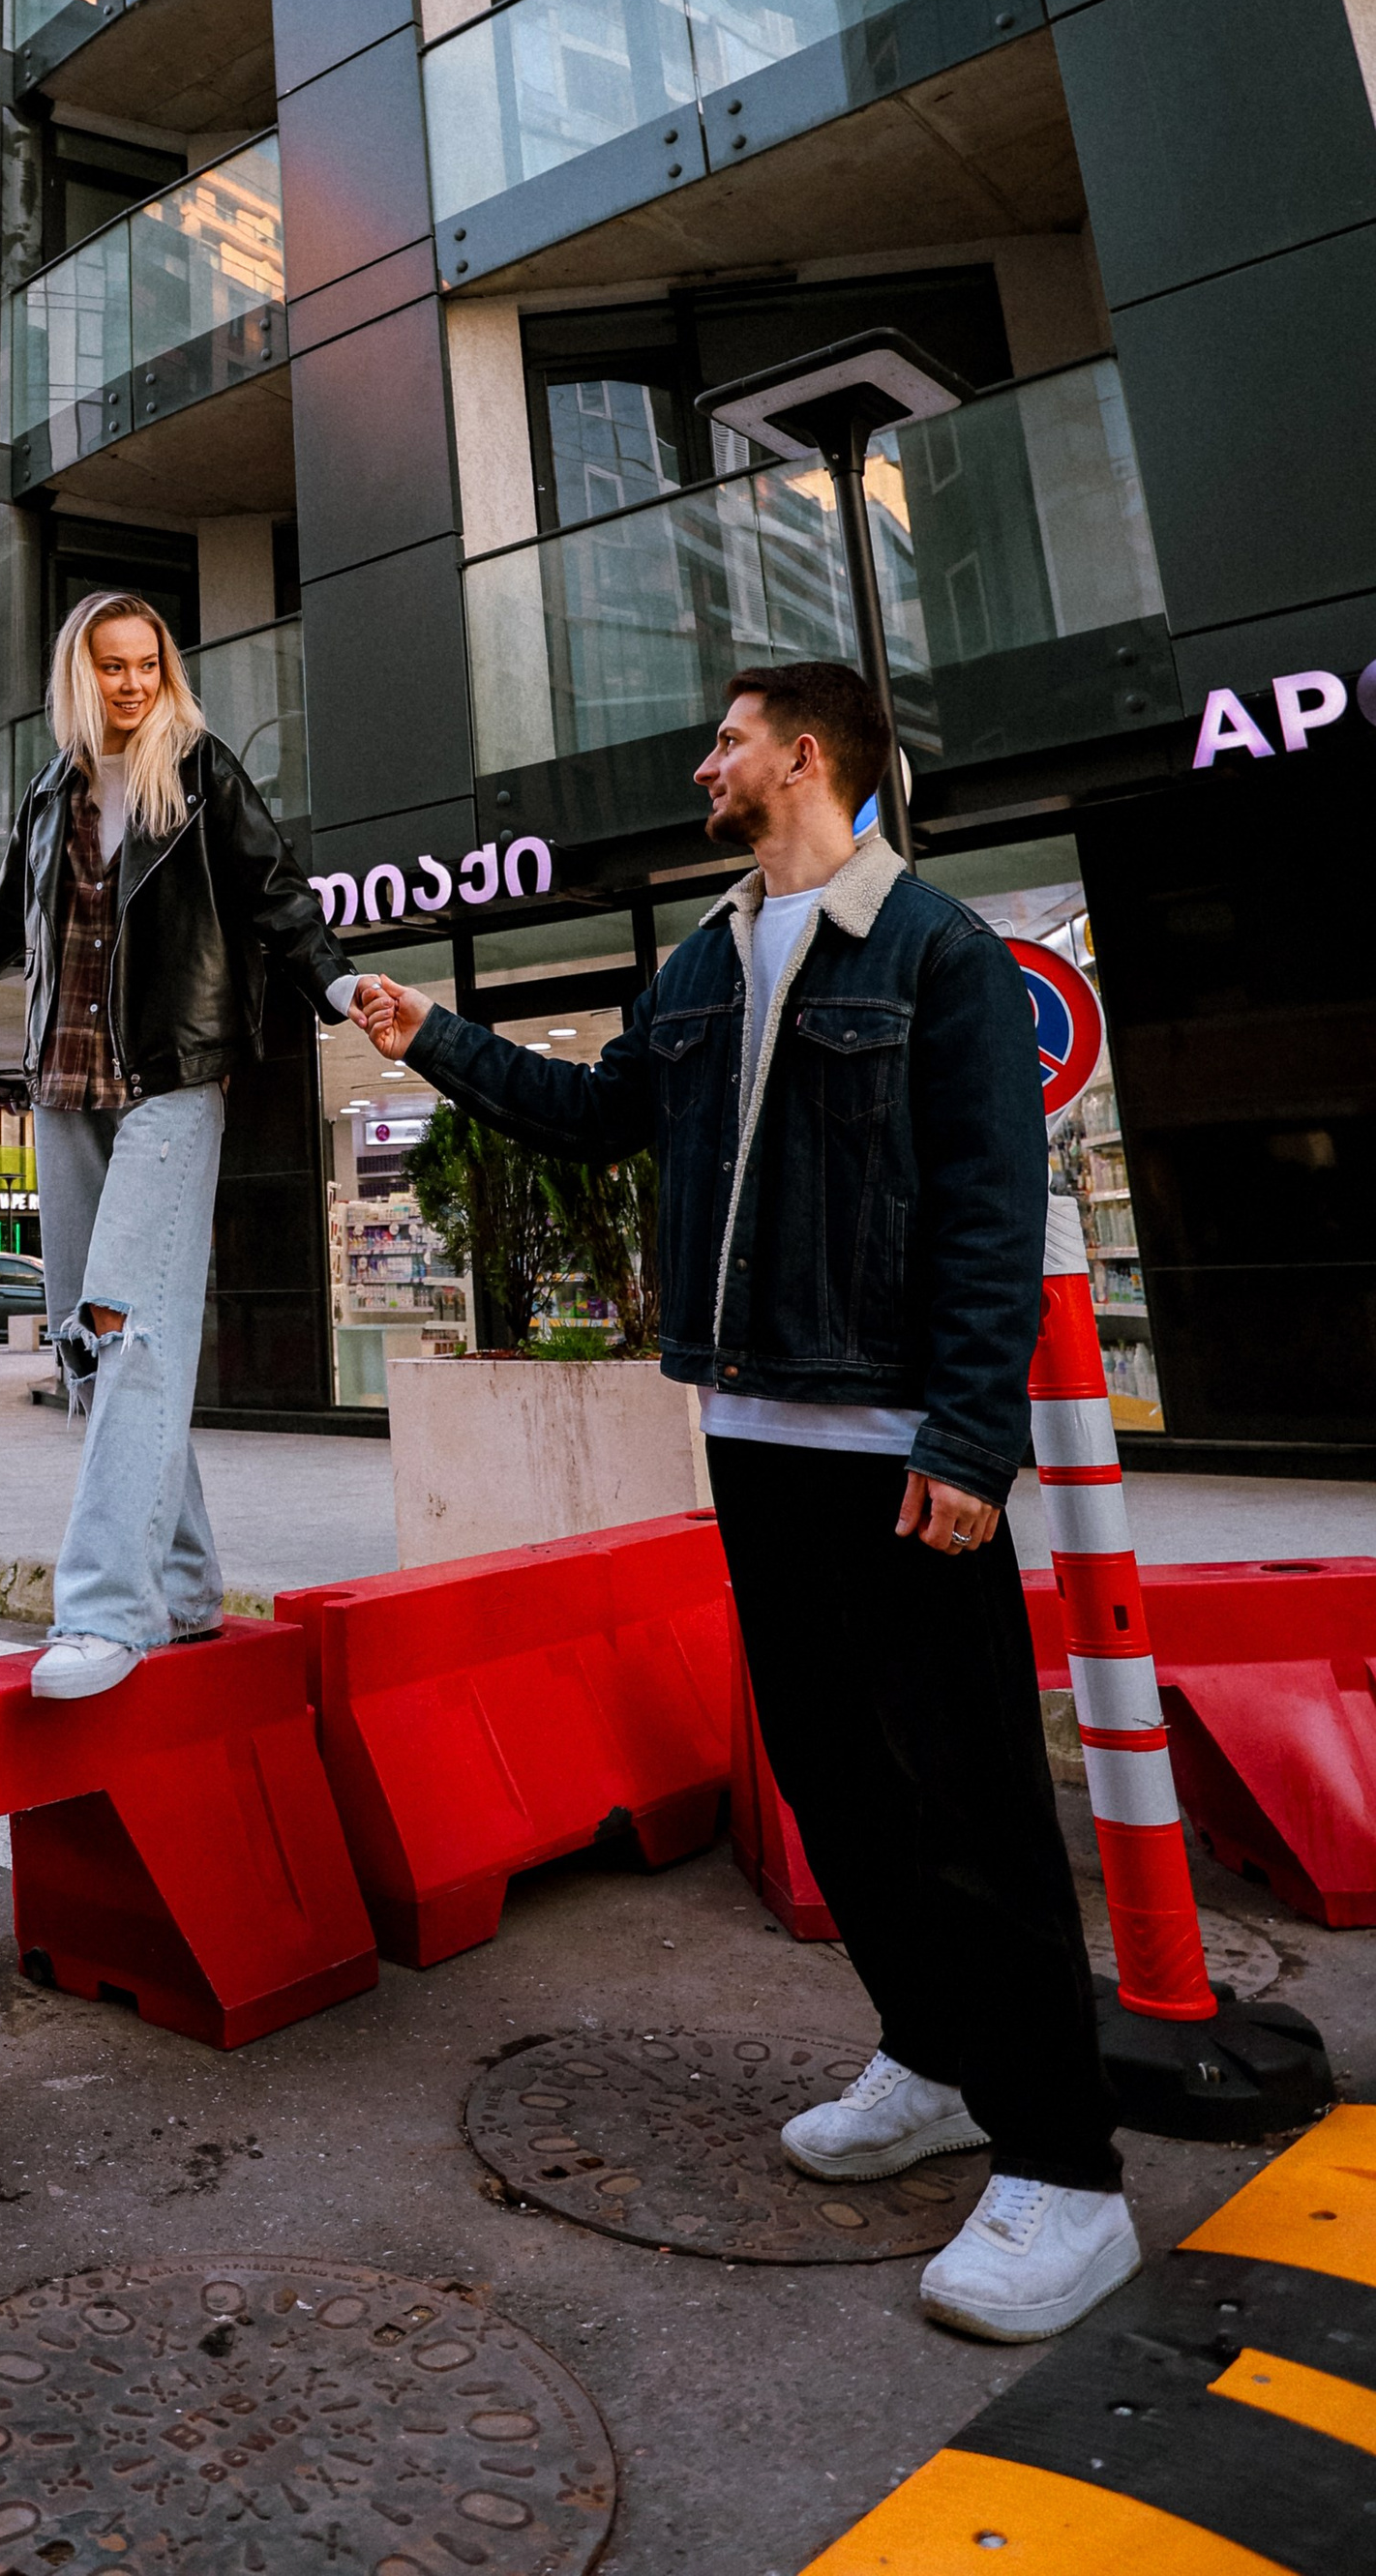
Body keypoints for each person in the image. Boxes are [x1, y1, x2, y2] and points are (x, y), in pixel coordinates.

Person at [360, 659, 1138, 2347]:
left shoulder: (939, 952)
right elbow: (599, 1117)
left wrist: (964, 1444)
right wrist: (436, 1037)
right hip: (756, 1428)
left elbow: (994, 1212)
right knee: (839, 1784)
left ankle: (1069, 2173)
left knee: (971, 1803)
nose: (703, 760)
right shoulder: (708, 957)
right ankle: (930, 2062)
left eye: (726, 739)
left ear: (803, 756)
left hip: (895, 1448)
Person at [0, 589, 380, 1698]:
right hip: (63, 1087)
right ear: (80, 674)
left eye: (146, 665)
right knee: (90, 1352)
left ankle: (111, 1616)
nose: (129, 683)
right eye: (109, 666)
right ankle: (190, 1583)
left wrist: (340, 983)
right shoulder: (48, 793)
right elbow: (7, 926)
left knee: (126, 1326)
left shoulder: (199, 770)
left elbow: (277, 897)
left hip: (170, 1079)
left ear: (165, 671)